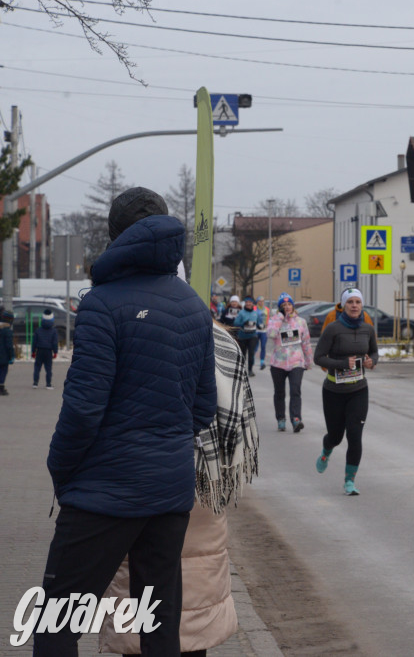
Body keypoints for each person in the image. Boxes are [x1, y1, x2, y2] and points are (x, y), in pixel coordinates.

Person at [36, 186, 217, 656]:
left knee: (57, 623)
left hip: (103, 493)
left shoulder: (102, 303)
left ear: (116, 238)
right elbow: (202, 409)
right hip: (169, 492)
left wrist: (62, 470)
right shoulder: (195, 307)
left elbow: (82, 408)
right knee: (159, 629)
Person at [98, 318, 259, 657]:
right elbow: (238, 417)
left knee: (138, 594)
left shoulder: (128, 330)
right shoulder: (218, 338)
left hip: (139, 478)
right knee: (194, 594)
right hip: (204, 476)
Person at [313, 287, 378, 495]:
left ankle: (350, 481)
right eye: (350, 302)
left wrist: (371, 361)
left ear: (362, 306)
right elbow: (319, 357)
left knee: (355, 435)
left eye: (358, 302)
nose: (354, 306)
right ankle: (326, 450)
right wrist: (342, 363)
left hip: (359, 389)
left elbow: (375, 352)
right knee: (336, 436)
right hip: (333, 390)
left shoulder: (368, 328)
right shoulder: (332, 329)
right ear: (344, 305)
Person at [267, 292, 314, 432]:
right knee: (279, 392)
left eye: (289, 304)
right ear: (279, 308)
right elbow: (270, 334)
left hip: (296, 362)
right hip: (278, 363)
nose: (286, 307)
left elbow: (306, 342)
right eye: (283, 305)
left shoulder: (301, 322)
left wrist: (308, 361)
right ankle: (281, 419)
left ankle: (296, 419)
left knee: (295, 391)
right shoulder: (275, 320)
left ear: (293, 306)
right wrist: (280, 318)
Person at [233, 296, 263, 377]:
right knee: (243, 354)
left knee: (251, 354)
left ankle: (250, 370)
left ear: (253, 303)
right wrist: (243, 324)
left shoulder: (256, 313)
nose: (248, 304)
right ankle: (241, 370)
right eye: (247, 302)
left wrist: (260, 326)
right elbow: (236, 323)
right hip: (242, 336)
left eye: (250, 302)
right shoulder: (241, 313)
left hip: (253, 336)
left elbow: (259, 322)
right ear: (245, 303)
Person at [31, 308, 60, 389]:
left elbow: (34, 342)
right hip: (48, 351)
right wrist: (55, 352)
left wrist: (33, 352)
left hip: (39, 351)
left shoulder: (38, 330)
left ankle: (35, 383)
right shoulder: (53, 331)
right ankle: (48, 384)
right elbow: (54, 342)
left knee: (37, 367)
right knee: (48, 368)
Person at [0, 308, 13, 397]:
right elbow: (9, 345)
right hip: (4, 356)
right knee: (3, 371)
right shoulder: (7, 331)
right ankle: (1, 387)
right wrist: (12, 356)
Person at [256, 296, 270, 370]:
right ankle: (251, 361)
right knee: (254, 347)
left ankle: (262, 362)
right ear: (257, 302)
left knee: (263, 346)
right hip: (256, 330)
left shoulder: (267, 309)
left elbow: (269, 319)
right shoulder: (254, 309)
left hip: (264, 330)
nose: (261, 302)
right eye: (259, 301)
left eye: (262, 301)